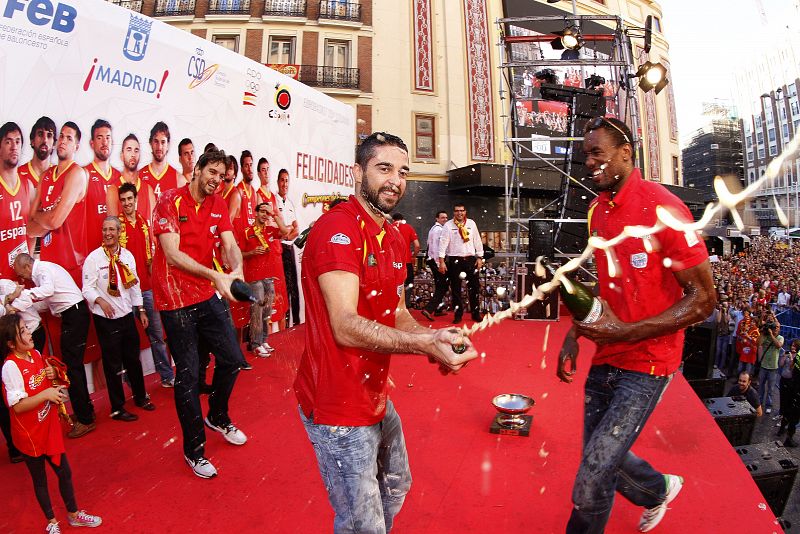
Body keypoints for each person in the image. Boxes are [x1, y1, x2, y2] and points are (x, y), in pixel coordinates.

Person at [293, 132, 478, 533]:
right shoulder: (336, 230)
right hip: (335, 405)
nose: (395, 179)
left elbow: (396, 313)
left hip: (372, 393)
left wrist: (434, 340)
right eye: (384, 168)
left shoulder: (393, 236)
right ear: (358, 172)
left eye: (403, 171)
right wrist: (424, 342)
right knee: (363, 524)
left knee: (395, 487)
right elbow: (344, 325)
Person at [555, 117, 715, 533]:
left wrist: (628, 332)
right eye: (584, 154)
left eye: (596, 152)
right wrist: (576, 331)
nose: (588, 162)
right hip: (608, 353)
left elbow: (704, 300)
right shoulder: (596, 211)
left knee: (592, 475)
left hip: (649, 363)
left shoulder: (664, 209)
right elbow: (609, 285)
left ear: (626, 152)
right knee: (600, 457)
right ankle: (658, 487)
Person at [151, 149, 248, 478]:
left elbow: (230, 243)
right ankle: (194, 451)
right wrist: (216, 275)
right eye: (213, 172)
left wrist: (236, 268)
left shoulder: (218, 203)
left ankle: (217, 416)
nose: (217, 180)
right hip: (174, 300)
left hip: (206, 294)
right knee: (189, 376)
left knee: (234, 359)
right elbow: (172, 254)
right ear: (197, 169)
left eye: (222, 176)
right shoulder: (169, 201)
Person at [0, 314, 102, 533]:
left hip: (48, 427)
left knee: (64, 472)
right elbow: (17, 406)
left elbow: (49, 385)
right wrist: (47, 394)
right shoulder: (10, 367)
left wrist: (52, 377)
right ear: (10, 343)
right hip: (29, 433)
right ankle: (52, 523)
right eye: (23, 331)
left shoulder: (35, 354)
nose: (29, 333)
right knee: (40, 481)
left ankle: (74, 515)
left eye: (26, 328)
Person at [14, 253, 96, 438]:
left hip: (74, 316)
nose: (22, 279)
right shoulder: (45, 270)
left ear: (27, 266)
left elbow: (48, 290)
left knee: (70, 368)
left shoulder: (43, 270)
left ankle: (85, 420)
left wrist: (21, 294)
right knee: (72, 367)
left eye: (22, 274)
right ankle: (86, 411)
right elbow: (46, 301)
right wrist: (22, 305)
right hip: (73, 315)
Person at [82, 217, 155, 422]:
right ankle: (117, 408)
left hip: (126, 316)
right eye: (105, 229)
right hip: (105, 320)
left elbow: (135, 286)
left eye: (112, 229)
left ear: (119, 232)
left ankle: (140, 397)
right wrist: (100, 301)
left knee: (133, 359)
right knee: (112, 365)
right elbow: (86, 288)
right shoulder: (94, 259)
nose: (107, 233)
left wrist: (140, 310)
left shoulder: (127, 256)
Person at [117, 182, 174, 388]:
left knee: (157, 335)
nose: (126, 203)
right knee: (128, 340)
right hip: (126, 292)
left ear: (136, 199)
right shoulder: (117, 226)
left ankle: (167, 376)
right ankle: (132, 381)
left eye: (130, 199)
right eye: (123, 200)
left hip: (147, 289)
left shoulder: (143, 221)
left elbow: (152, 254)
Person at [26, 122, 89, 285]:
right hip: (47, 266)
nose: (62, 141)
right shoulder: (45, 176)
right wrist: (51, 214)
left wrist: (46, 217)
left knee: (73, 311)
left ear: (76, 146)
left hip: (71, 267)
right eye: (61, 136)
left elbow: (55, 221)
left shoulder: (76, 173)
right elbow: (30, 229)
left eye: (69, 138)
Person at [241, 202, 280, 356]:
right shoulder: (247, 231)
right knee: (256, 311)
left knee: (267, 311)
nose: (264, 215)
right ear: (255, 213)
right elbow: (239, 253)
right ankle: (255, 343)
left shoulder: (269, 230)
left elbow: (285, 231)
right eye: (262, 211)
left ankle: (263, 340)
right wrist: (252, 253)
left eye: (267, 212)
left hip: (268, 277)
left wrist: (274, 214)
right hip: (254, 278)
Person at [438, 203, 484, 323]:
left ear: (465, 212)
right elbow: (443, 243)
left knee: (474, 288)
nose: (459, 213)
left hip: (470, 259)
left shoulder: (471, 223)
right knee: (456, 289)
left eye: (461, 211)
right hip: (454, 260)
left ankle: (475, 313)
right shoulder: (448, 225)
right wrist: (441, 261)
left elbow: (477, 240)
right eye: (457, 211)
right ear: (454, 212)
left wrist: (480, 257)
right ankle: (458, 315)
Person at [0, 122, 33, 279]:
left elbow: (33, 230)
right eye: (8, 141)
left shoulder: (27, 185)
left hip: (23, 277)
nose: (14, 147)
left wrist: (29, 261)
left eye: (18, 141)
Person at [84, 119, 121, 251]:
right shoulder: (83, 175)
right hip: (91, 252)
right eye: (100, 138)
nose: (105, 142)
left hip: (116, 252)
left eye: (108, 137)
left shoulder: (120, 176)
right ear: (92, 143)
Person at [107, 133, 156, 220]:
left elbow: (153, 227)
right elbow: (113, 229)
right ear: (122, 155)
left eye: (136, 150)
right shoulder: (113, 190)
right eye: (129, 150)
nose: (133, 154)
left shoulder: (148, 190)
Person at [275, 169, 301, 326]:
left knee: (294, 290)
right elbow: (280, 230)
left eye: (287, 181)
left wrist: (287, 233)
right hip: (280, 250)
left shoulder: (290, 203)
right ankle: (285, 325)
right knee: (284, 289)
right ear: (278, 182)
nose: (284, 184)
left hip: (290, 249)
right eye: (282, 180)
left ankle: (296, 323)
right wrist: (286, 233)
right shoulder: (274, 201)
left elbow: (296, 229)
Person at [421, 210, 450, 321]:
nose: (445, 219)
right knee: (443, 286)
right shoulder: (439, 230)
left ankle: (438, 309)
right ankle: (429, 309)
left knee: (440, 285)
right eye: (442, 218)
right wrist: (440, 263)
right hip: (437, 261)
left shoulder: (434, 229)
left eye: (446, 218)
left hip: (433, 260)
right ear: (437, 219)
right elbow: (436, 248)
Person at [140, 121, 179, 199]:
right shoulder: (140, 176)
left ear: (168, 144)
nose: (159, 147)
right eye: (156, 141)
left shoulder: (178, 178)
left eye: (163, 142)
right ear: (150, 143)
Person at [17, 116, 56, 191]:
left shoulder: (59, 176)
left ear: (54, 144)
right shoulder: (18, 174)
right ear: (32, 141)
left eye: (49, 135)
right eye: (40, 134)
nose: (45, 140)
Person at [392, 213, 420, 309]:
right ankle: (405, 304)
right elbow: (417, 245)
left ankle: (393, 304)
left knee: (393, 283)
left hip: (392, 262)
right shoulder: (408, 227)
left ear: (393, 220)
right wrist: (413, 255)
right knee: (408, 283)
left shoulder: (389, 227)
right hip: (406, 261)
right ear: (402, 219)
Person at [756, 312, 783, 414]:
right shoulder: (766, 335)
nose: (775, 329)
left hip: (773, 368)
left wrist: (771, 334)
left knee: (771, 389)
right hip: (763, 365)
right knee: (761, 386)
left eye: (777, 328)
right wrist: (762, 332)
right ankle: (759, 404)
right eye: (774, 327)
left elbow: (778, 345)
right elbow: (758, 343)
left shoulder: (780, 337)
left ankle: (768, 405)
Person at [778, 341, 798, 440]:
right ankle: (782, 419)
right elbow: (781, 365)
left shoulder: (797, 357)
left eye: (795, 346)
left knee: (788, 404)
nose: (792, 347)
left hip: (791, 384)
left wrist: (791, 358)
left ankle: (784, 426)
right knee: (782, 400)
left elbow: (792, 368)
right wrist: (784, 357)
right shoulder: (787, 353)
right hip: (783, 380)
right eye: (792, 345)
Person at [735, 308, 760, 375]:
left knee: (747, 371)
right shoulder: (748, 329)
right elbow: (742, 337)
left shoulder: (757, 332)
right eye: (752, 321)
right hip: (744, 352)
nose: (752, 323)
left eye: (754, 322)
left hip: (751, 354)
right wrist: (742, 339)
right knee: (740, 369)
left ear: (756, 323)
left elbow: (755, 342)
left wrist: (747, 337)